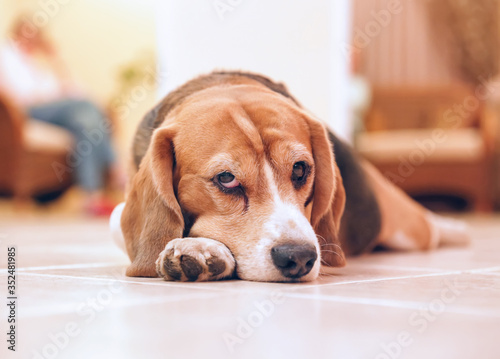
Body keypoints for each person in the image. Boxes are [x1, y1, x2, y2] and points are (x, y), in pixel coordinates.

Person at [0, 17, 120, 214]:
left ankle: (92, 196)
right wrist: (57, 96)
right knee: (86, 107)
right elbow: (26, 94)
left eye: (36, 35)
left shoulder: (39, 62)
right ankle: (115, 168)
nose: (32, 38)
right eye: (27, 32)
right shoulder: (7, 54)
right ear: (17, 33)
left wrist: (55, 58)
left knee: (87, 119)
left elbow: (75, 90)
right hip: (24, 112)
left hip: (54, 111)